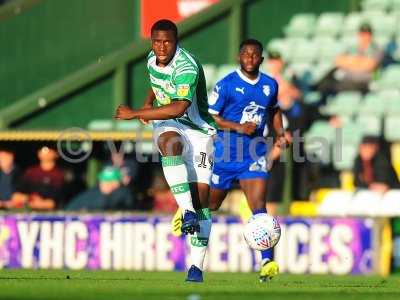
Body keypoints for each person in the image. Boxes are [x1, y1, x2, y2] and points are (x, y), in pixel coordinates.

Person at [114, 19, 216, 282]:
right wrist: (148, 101)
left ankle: (196, 267)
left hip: (198, 129)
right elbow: (158, 82)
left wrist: (136, 112)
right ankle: (187, 211)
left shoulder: (186, 66)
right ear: (152, 41)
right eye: (157, 41)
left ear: (176, 40)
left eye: (167, 41)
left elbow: (179, 107)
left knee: (203, 198)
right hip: (168, 123)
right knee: (170, 144)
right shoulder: (152, 58)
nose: (161, 46)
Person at [207, 39, 288, 282]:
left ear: (261, 59)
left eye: (255, 55)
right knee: (210, 206)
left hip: (253, 154)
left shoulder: (269, 85)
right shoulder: (226, 85)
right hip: (225, 154)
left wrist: (280, 133)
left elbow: (274, 110)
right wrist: (238, 127)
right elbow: (212, 117)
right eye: (246, 54)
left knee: (259, 208)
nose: (250, 58)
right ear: (239, 57)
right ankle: (188, 207)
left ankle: (266, 263)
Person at [316, 23, 383, 97]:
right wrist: (358, 62)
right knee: (326, 83)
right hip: (347, 80)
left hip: (362, 83)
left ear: (371, 34)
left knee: (328, 87)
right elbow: (338, 61)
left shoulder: (376, 49)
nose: (364, 36)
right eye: (362, 33)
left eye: (367, 33)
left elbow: (369, 65)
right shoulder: (353, 48)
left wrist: (349, 62)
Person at [11, 146, 64, 210]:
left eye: (48, 151)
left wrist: (41, 201)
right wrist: (30, 198)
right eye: (44, 150)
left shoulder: (59, 174)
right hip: (30, 201)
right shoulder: (31, 171)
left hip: (47, 204)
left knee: (49, 203)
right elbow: (17, 193)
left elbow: (55, 198)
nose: (46, 153)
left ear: (56, 154)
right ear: (39, 153)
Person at [66, 167, 133, 211]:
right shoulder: (92, 195)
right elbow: (68, 211)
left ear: (117, 183)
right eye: (102, 180)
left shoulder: (123, 194)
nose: (104, 184)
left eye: (108, 181)